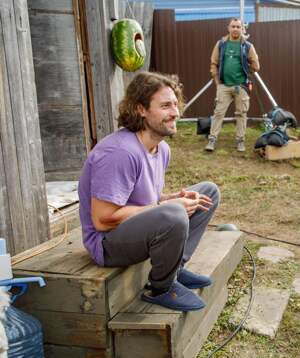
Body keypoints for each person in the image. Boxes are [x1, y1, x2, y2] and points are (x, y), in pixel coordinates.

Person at [78, 72, 221, 312]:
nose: (175, 112)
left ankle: (175, 269)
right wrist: (166, 208)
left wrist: (172, 198)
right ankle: (161, 288)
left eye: (175, 104)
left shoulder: (160, 148)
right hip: (107, 244)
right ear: (140, 109)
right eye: (165, 106)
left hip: (131, 227)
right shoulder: (120, 153)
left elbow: (147, 200)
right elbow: (103, 220)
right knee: (173, 214)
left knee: (209, 192)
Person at [205, 18, 260, 152]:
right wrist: (217, 81)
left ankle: (240, 141)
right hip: (224, 86)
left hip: (241, 87)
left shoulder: (247, 46)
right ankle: (212, 140)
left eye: (238, 27)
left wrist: (246, 72)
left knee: (241, 114)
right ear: (228, 28)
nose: (235, 29)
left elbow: (256, 66)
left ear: (242, 29)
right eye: (233, 26)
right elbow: (214, 63)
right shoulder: (221, 44)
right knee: (218, 113)